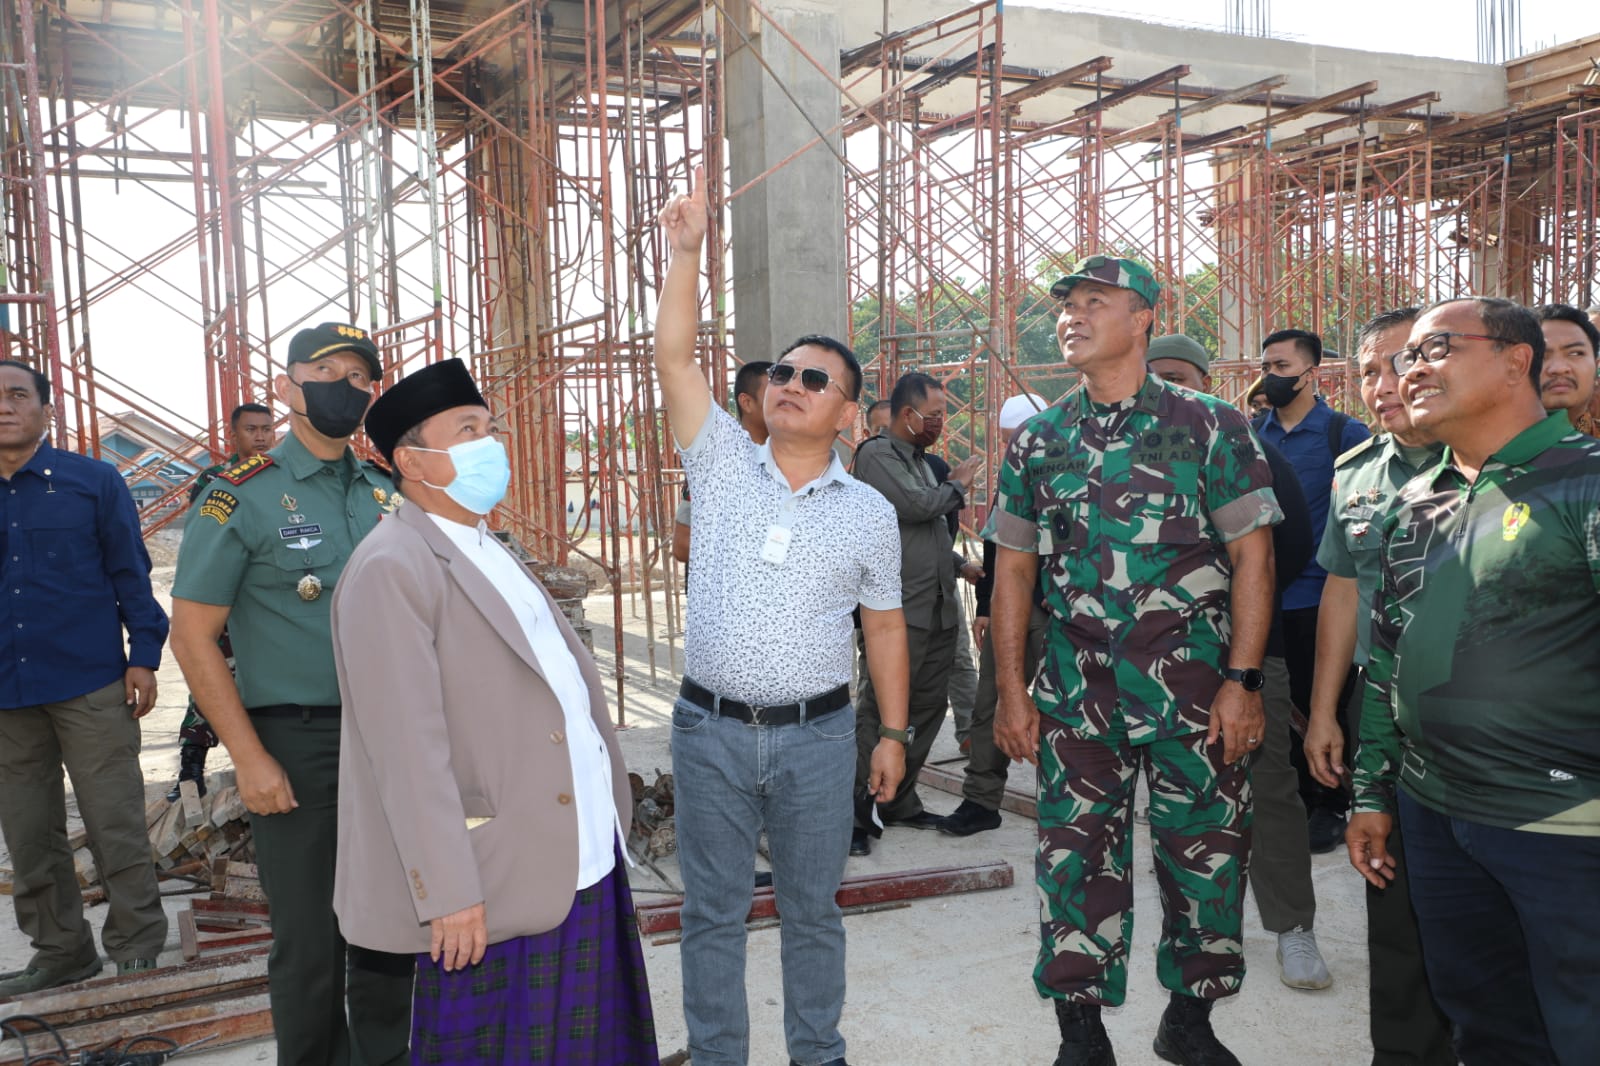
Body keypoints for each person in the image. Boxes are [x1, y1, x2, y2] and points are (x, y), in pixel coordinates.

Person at [989, 258, 1280, 1066]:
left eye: (1094, 302)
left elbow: (1254, 559)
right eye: (1066, 306)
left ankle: (1190, 1019)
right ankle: (1079, 1030)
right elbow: (1013, 571)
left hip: (1196, 699)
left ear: (1144, 316)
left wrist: (1244, 681)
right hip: (1078, 702)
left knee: (1209, 858)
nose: (1073, 317)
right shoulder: (1041, 439)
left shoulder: (1211, 424)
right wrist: (1011, 692)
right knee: (1073, 864)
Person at [656, 167, 910, 1066]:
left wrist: (894, 734)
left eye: (814, 379)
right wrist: (686, 253)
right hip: (710, 732)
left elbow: (884, 627)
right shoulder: (722, 464)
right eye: (782, 374)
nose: (790, 384)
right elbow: (677, 358)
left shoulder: (870, 513)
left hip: (817, 738)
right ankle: (720, 1056)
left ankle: (818, 1054)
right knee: (712, 914)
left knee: (812, 913)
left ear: (846, 413)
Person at [334, 359, 657, 1064]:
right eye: (467, 431)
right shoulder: (393, 567)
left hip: (574, 856)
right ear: (412, 461)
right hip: (492, 881)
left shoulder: (488, 548)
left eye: (490, 428)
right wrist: (447, 892)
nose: (491, 444)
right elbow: (406, 753)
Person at [1347, 297, 1600, 1066]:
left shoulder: (1583, 484)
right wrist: (1371, 793)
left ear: (1517, 361)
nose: (1411, 369)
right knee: (1484, 1022)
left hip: (1562, 822)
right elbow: (1387, 658)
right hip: (1437, 814)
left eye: (1438, 349)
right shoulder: (1414, 505)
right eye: (1406, 357)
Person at [169, 324, 413, 1066]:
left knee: (391, 931)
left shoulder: (386, 491)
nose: (346, 384)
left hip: (390, 740)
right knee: (309, 944)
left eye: (359, 375)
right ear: (287, 385)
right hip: (297, 745)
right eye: (326, 369)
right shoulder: (239, 496)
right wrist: (248, 757)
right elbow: (192, 637)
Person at [1149, 334, 1327, 989]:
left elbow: (1297, 546)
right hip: (1155, 662)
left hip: (1249, 656)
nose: (1164, 388)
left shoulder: (1251, 448)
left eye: (1176, 376)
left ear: (1202, 380)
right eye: (1153, 377)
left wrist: (1241, 623)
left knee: (1269, 790)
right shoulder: (1123, 456)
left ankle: (1293, 928)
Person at [1304, 308, 1453, 1065]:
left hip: (1481, 708)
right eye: (1368, 371)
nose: (1385, 383)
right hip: (1381, 705)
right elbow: (1342, 592)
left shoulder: (1492, 461)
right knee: (1388, 883)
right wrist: (1327, 710)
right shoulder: (1355, 469)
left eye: (1401, 363)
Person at [0, 360, 169, 996]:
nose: (5, 406)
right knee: (28, 830)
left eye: (19, 395)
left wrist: (144, 656)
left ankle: (136, 946)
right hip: (7, 692)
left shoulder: (93, 482)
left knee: (114, 820)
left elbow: (132, 572)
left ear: (46, 410)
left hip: (91, 682)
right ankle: (62, 951)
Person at [848, 372, 981, 853]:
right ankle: (857, 814)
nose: (940, 424)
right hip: (898, 610)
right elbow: (918, 507)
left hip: (938, 605)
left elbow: (928, 537)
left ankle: (899, 800)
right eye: (936, 415)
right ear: (908, 416)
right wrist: (959, 486)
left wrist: (960, 565)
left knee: (927, 706)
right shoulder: (876, 456)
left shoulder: (921, 463)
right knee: (881, 712)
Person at [1254, 328, 1370, 853]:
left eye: (1281, 367)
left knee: (1325, 704)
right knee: (1281, 709)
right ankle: (1298, 799)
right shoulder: (1253, 436)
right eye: (1267, 367)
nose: (1270, 377)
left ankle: (1330, 803)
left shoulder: (1344, 433)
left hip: (1324, 598)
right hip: (1266, 598)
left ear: (1311, 374)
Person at [941, 392, 1048, 837]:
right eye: (1005, 441)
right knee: (990, 701)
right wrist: (986, 607)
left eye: (1018, 438)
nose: (1012, 448)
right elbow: (994, 545)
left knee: (1060, 707)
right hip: (1010, 608)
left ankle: (1066, 803)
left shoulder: (1079, 467)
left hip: (1058, 611)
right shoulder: (1012, 474)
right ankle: (981, 800)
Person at [169, 402, 275, 802]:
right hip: (225, 597)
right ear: (234, 435)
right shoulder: (215, 480)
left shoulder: (282, 478)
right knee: (212, 672)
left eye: (267, 428)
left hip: (268, 597)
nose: (261, 436)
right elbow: (207, 540)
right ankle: (190, 766)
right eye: (252, 429)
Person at [673, 360, 770, 566]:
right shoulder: (716, 461)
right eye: (774, 394)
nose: (785, 402)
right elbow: (682, 545)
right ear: (747, 402)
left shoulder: (791, 463)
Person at [1536, 303, 1598, 437]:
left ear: (1596, 365)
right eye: (1541, 355)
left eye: (1575, 353)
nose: (1559, 368)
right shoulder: (1486, 449)